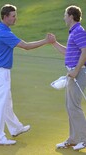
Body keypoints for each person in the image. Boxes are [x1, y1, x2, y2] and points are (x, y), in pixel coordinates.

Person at [0, 4, 54, 145]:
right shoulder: (4, 33)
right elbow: (26, 46)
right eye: (13, 16)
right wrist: (46, 41)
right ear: (5, 17)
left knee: (6, 102)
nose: (15, 18)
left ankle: (15, 128)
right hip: (0, 72)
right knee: (0, 105)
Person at [51, 5, 86, 150]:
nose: (64, 17)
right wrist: (53, 42)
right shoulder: (73, 32)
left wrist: (76, 70)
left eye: (65, 14)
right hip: (73, 73)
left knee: (74, 107)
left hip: (78, 73)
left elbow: (85, 51)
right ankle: (73, 139)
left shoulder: (78, 31)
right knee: (70, 106)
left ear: (71, 16)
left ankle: (83, 139)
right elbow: (68, 52)